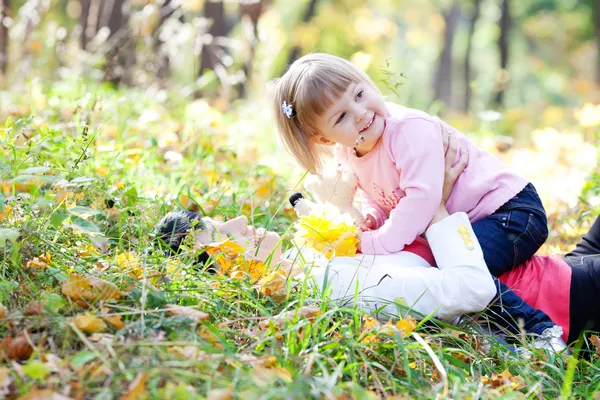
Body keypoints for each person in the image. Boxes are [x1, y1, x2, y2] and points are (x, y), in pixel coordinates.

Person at [155, 139, 565, 351]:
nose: (240, 221)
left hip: (553, 265)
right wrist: (436, 209)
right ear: (228, 270)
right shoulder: (338, 288)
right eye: (224, 233)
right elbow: (470, 290)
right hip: (559, 296)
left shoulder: (316, 265)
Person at [272, 52, 554, 339]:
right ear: (325, 139)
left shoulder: (407, 130)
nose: (359, 112)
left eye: (358, 94)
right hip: (460, 222)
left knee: (453, 270)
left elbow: (422, 200)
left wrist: (377, 242)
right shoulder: (349, 153)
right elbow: (384, 196)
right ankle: (479, 334)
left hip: (510, 212)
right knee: (430, 269)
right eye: (341, 116)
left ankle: (538, 332)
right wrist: (375, 218)